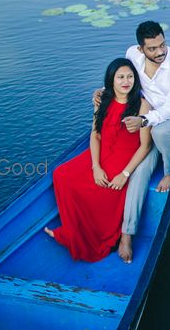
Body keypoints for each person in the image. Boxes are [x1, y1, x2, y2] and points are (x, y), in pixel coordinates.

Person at [95, 20, 170, 263]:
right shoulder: (132, 54)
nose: (160, 51)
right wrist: (103, 90)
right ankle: (127, 235)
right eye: (153, 48)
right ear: (141, 49)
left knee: (161, 132)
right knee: (139, 173)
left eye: (163, 44)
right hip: (149, 115)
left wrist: (143, 120)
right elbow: (124, 78)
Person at [45, 58, 152, 262]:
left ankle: (96, 236)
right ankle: (72, 230)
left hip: (123, 158)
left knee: (103, 190)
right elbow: (95, 135)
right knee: (61, 175)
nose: (125, 81)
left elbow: (145, 146)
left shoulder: (142, 106)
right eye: (120, 77)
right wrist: (95, 166)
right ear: (111, 79)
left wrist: (125, 174)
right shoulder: (102, 100)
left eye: (130, 76)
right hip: (99, 153)